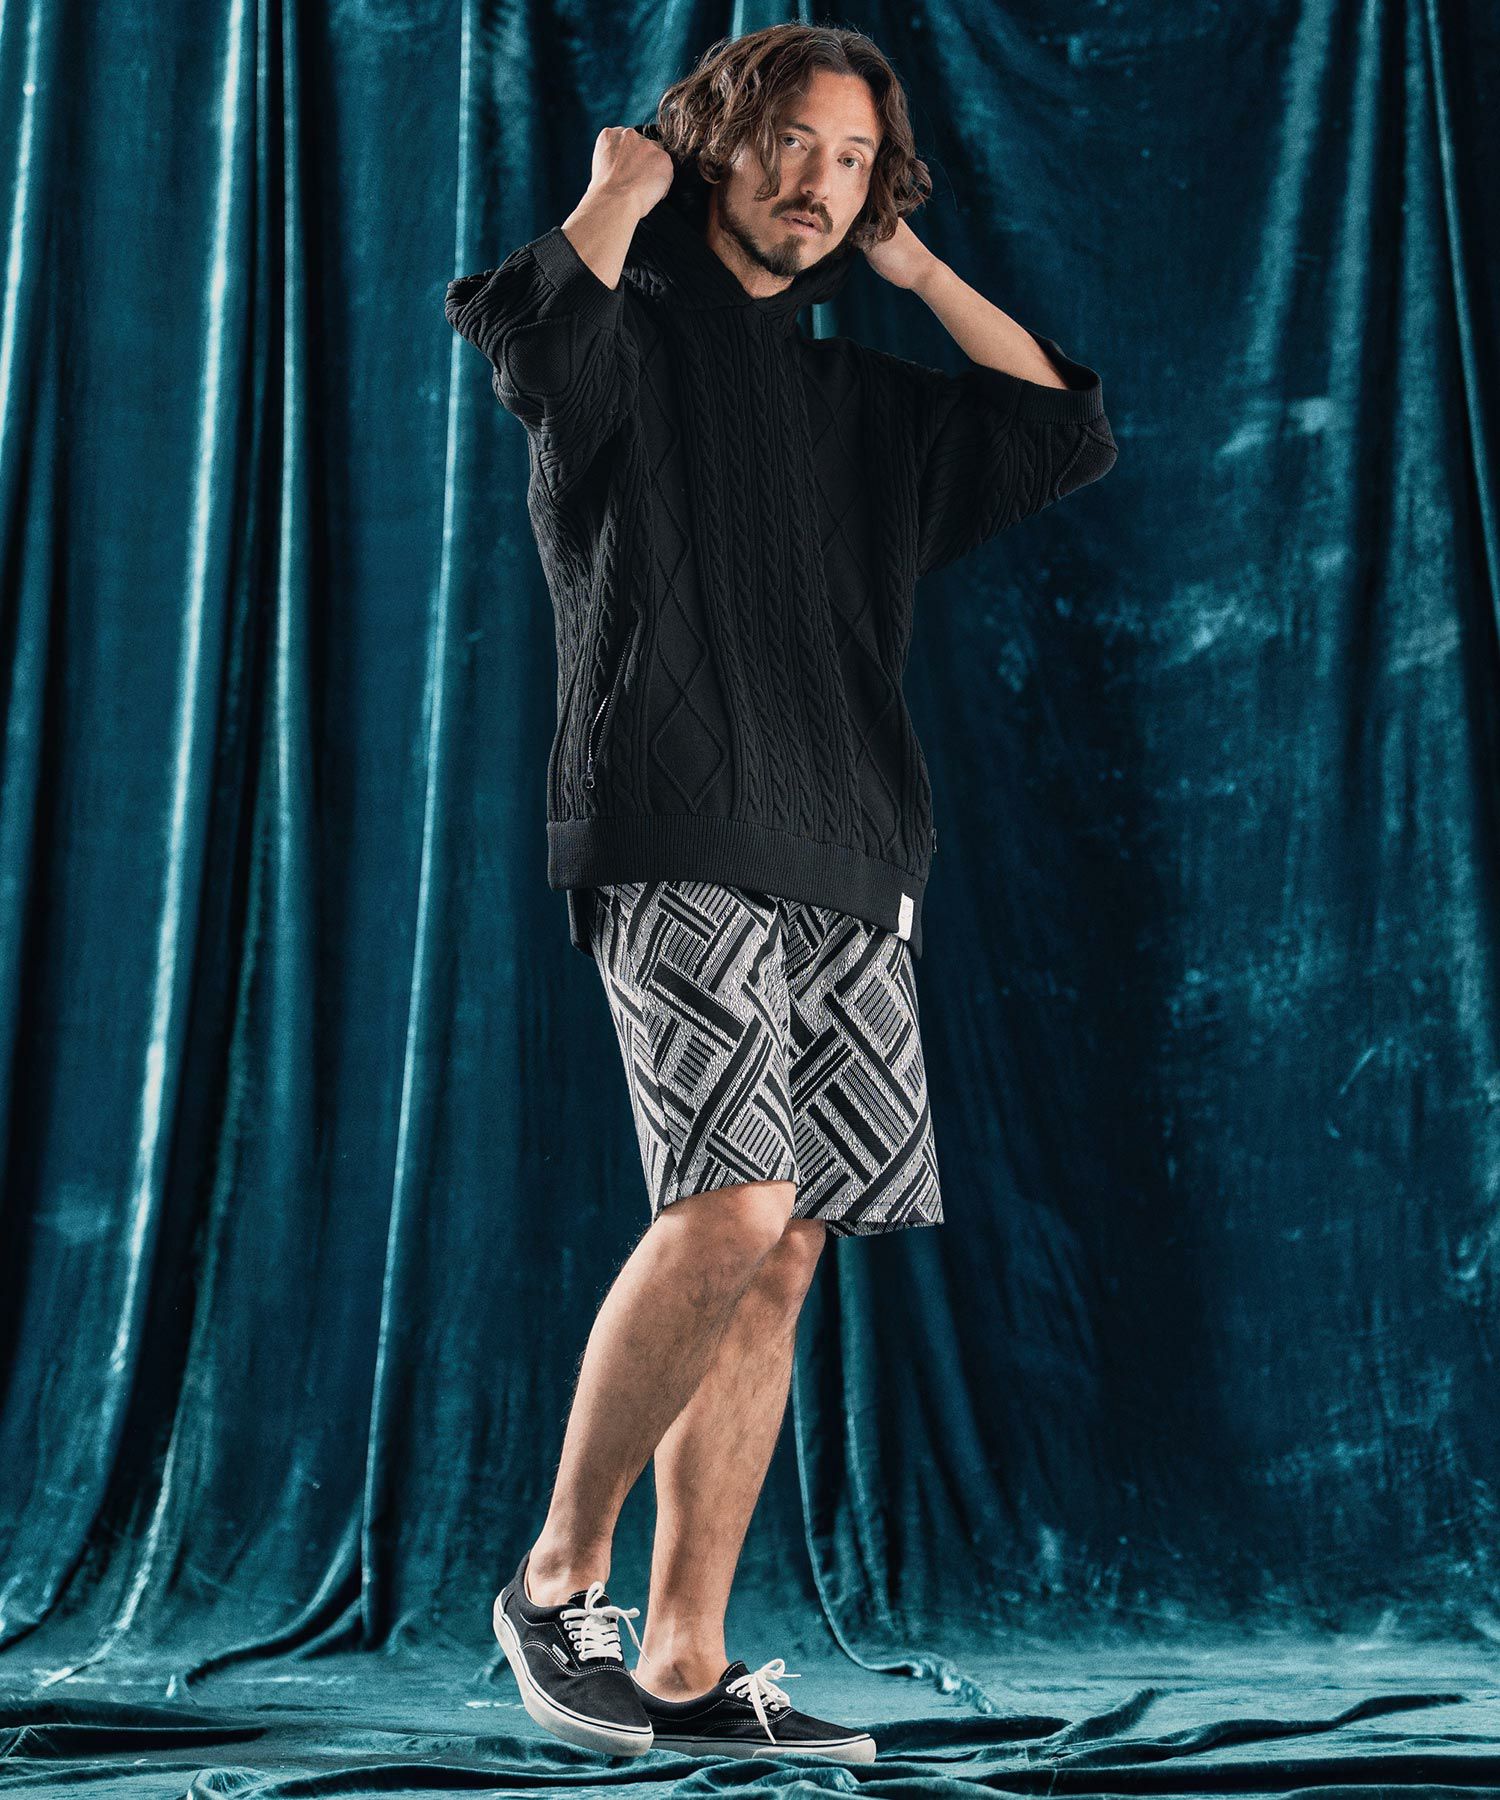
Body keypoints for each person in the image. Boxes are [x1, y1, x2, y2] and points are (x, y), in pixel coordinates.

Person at [444, 21, 1117, 1765]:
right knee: (732, 1203)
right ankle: (555, 1581)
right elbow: (528, 344)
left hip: (851, 844)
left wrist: (914, 266)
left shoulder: (856, 401)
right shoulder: (620, 332)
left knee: (792, 1241)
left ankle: (684, 1664)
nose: (821, 182)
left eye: (852, 159)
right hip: (670, 817)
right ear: (716, 143)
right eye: (795, 144)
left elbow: (1059, 426)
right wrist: (615, 192)